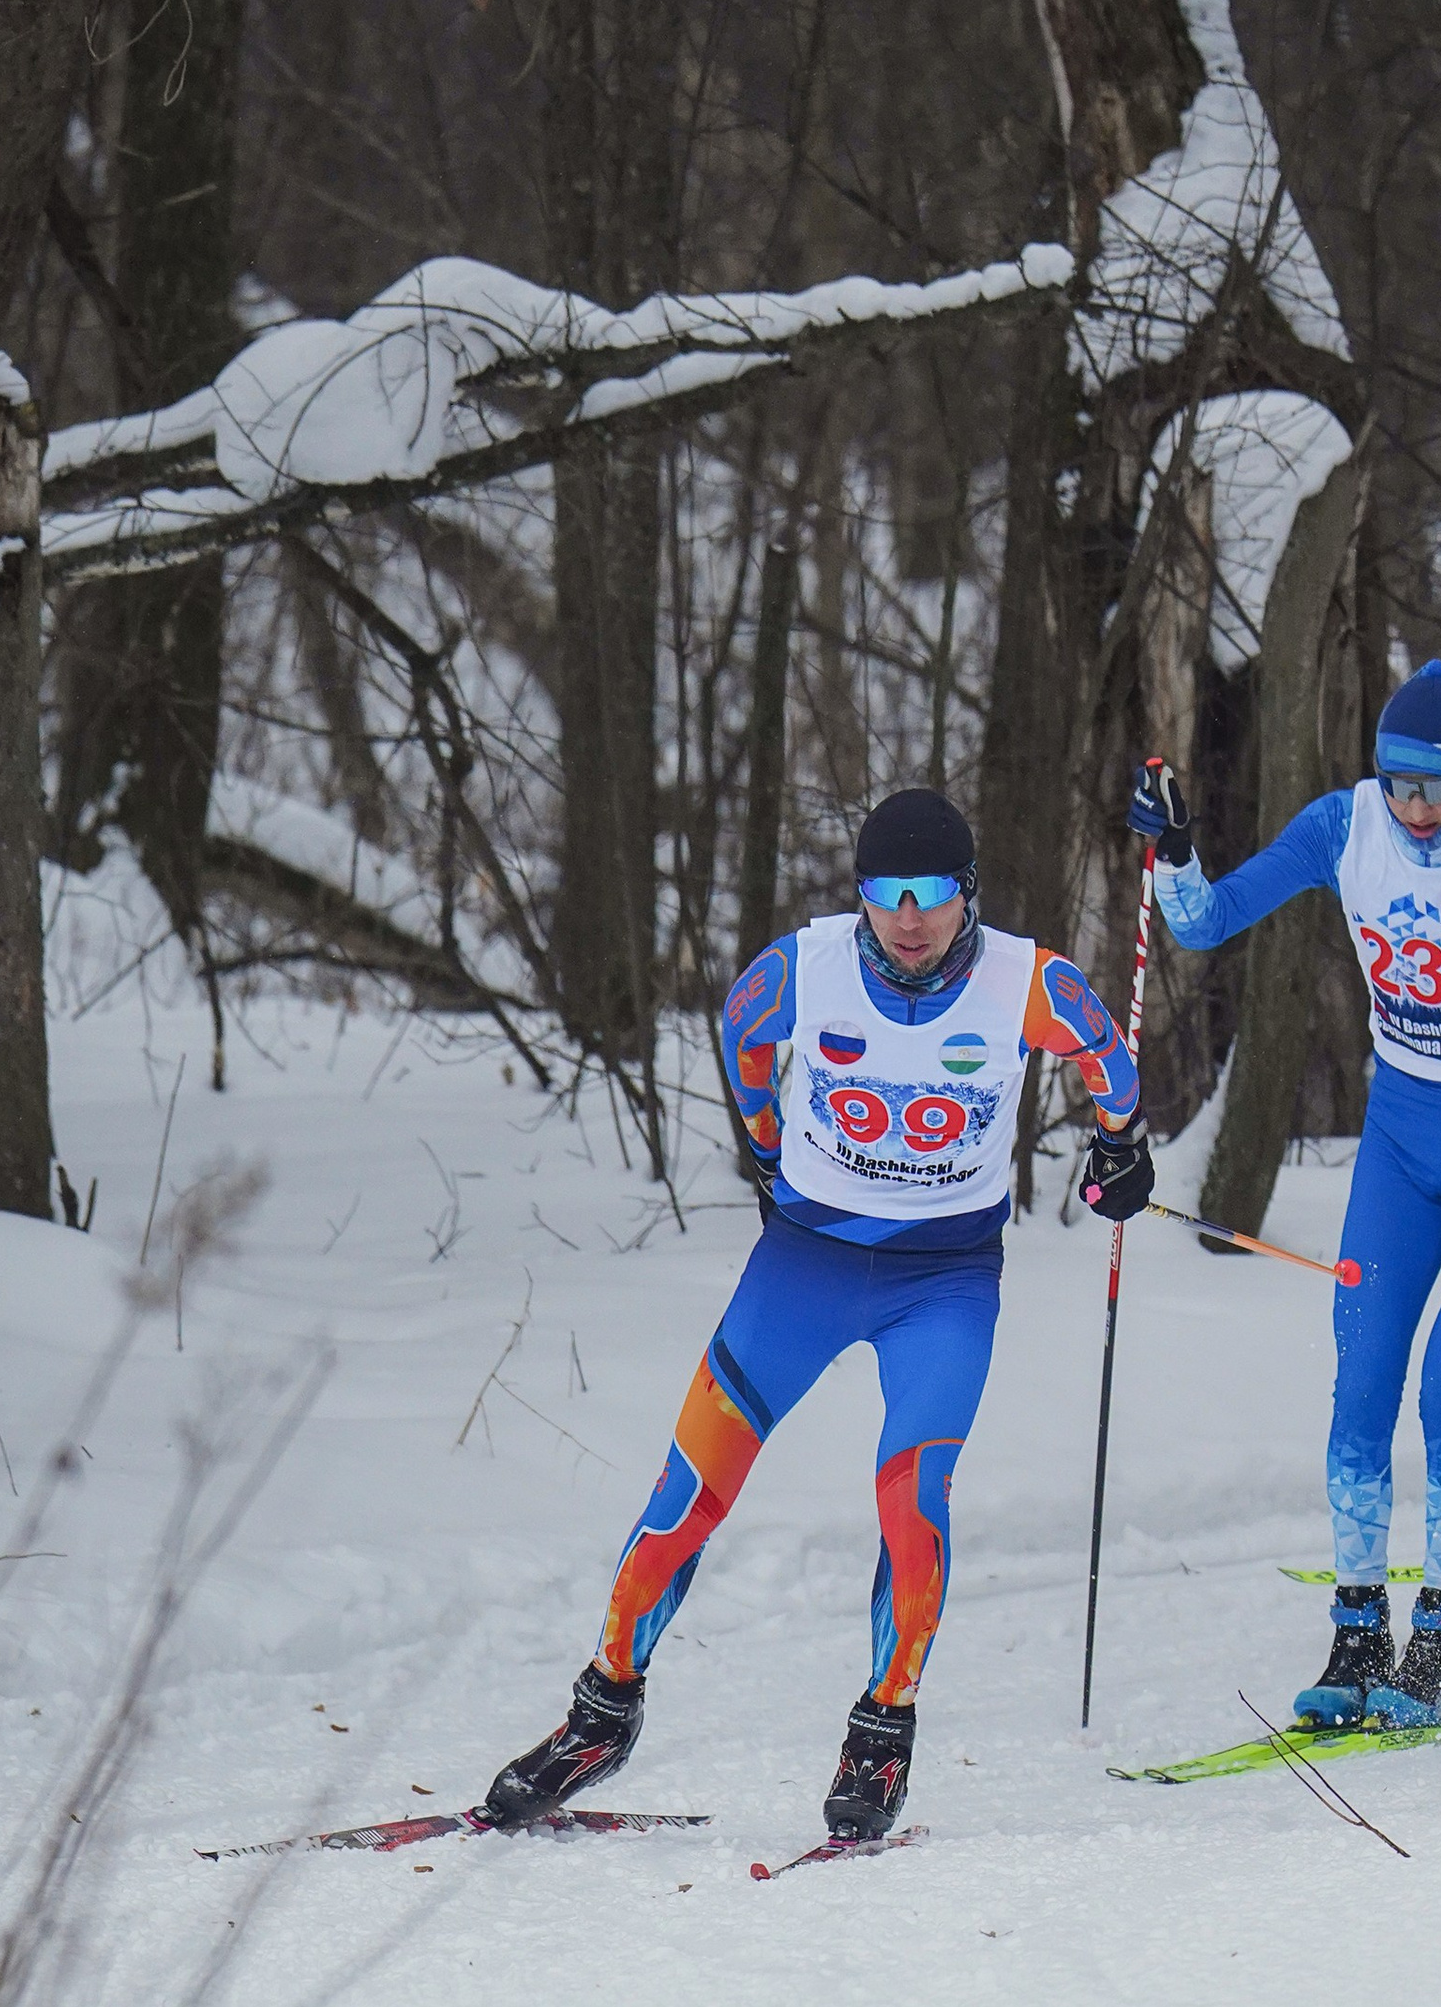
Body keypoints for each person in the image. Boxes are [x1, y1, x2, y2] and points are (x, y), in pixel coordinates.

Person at [483, 788, 1151, 1842]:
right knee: (688, 1484)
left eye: (931, 894)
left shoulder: (1028, 980)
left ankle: (881, 1734)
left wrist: (1123, 1142)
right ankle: (601, 1711)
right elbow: (742, 1032)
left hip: (944, 1278)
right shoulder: (806, 968)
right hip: (803, 1264)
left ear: (966, 894)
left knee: (912, 1499)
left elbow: (1107, 1052)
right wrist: (761, 1134)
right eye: (886, 895)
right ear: (860, 899)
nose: (909, 917)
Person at [1133, 659, 1441, 1726]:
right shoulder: (1341, 827)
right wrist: (1174, 856)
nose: (1413, 811)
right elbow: (1203, 922)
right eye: (1396, 784)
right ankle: (1358, 1632)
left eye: (1435, 789)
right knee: (1361, 1385)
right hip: (1402, 1137)